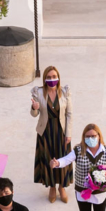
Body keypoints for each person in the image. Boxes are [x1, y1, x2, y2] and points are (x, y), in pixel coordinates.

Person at [31, 65, 73, 203]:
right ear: (44, 79)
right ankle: (52, 187)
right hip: (46, 131)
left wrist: (68, 133)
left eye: (54, 76)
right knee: (48, 158)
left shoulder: (65, 92)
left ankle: (62, 187)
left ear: (58, 77)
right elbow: (34, 114)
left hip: (61, 131)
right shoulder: (38, 92)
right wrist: (34, 108)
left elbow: (69, 114)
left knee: (62, 158)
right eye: (49, 77)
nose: (52, 79)